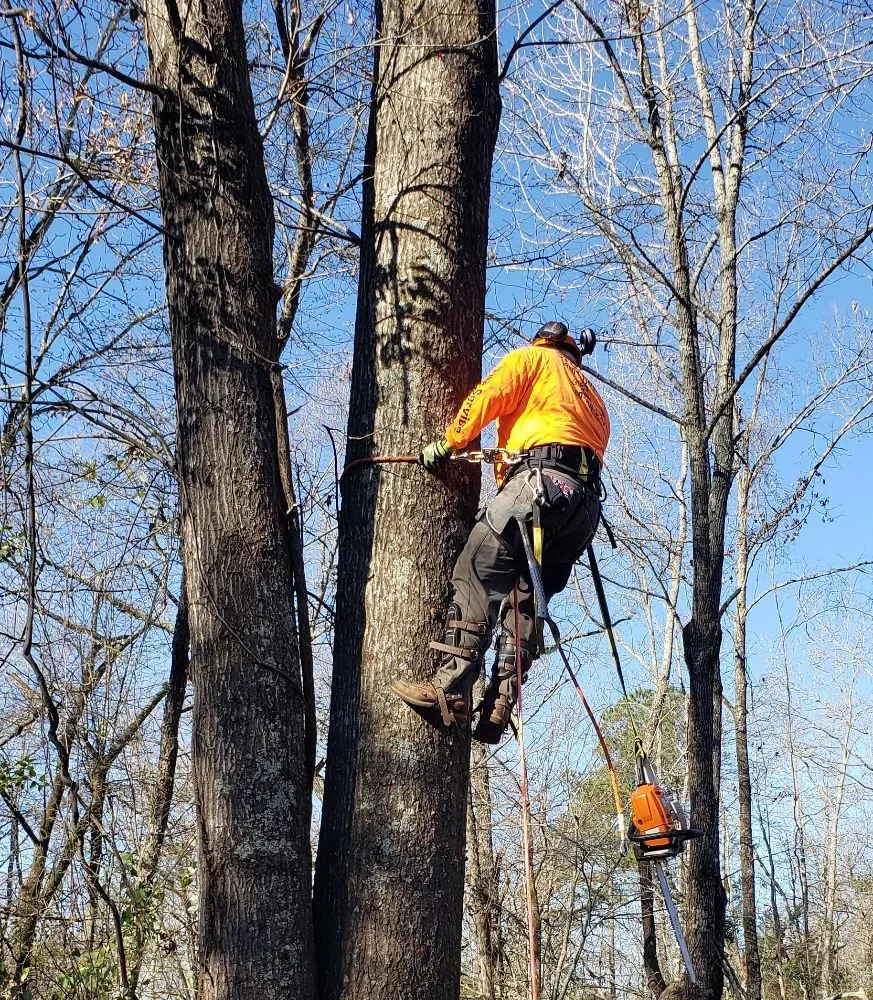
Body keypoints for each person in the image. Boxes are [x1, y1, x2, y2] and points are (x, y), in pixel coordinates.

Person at [391, 321, 611, 744]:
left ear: (544, 343)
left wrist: (451, 441)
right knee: (525, 596)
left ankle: (449, 689)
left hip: (537, 486)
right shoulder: (591, 397)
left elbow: (487, 397)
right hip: (581, 511)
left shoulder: (530, 360)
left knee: (477, 570)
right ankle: (499, 704)